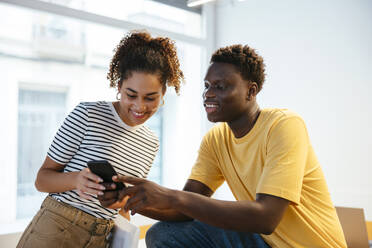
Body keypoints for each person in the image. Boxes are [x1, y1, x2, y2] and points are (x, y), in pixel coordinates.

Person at [99, 44, 347, 248]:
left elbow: (266, 218)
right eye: (207, 86)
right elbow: (185, 210)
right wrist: (131, 200)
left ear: (251, 91)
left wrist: (171, 196)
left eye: (220, 86)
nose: (208, 94)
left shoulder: (284, 125)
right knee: (162, 234)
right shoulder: (216, 139)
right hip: (263, 242)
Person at [16, 30, 184, 248]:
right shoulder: (87, 114)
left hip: (104, 237)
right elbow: (42, 179)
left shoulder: (151, 142)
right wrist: (76, 179)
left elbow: (123, 207)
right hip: (58, 227)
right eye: (131, 95)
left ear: (163, 93)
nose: (140, 106)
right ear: (119, 87)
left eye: (150, 97)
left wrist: (122, 210)